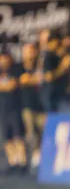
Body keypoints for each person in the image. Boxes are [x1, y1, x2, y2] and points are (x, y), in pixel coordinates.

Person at [18, 43, 45, 171]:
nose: (30, 54)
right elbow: (23, 80)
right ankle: (31, 159)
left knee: (43, 132)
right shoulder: (19, 67)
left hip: (41, 105)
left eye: (32, 51)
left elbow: (43, 78)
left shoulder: (40, 65)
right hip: (27, 106)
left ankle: (38, 157)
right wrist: (36, 79)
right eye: (27, 51)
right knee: (30, 133)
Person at [0, 50, 27, 174]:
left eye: (5, 59)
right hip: (2, 109)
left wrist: (4, 86)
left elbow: (13, 85)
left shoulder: (16, 70)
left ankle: (22, 162)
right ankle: (12, 162)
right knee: (7, 137)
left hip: (15, 109)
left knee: (18, 136)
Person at [38, 31, 64, 114]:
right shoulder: (49, 56)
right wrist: (63, 68)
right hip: (51, 96)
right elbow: (48, 77)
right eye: (58, 42)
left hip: (56, 95)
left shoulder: (55, 55)